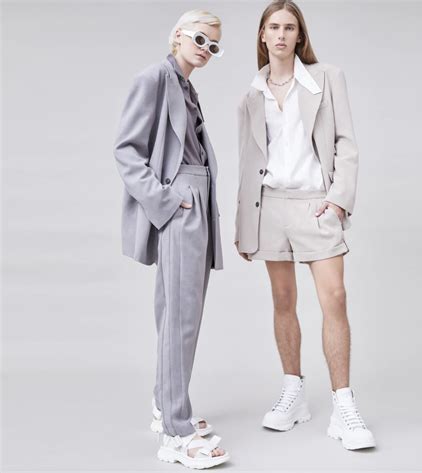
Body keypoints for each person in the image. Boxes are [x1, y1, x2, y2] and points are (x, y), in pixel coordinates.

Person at [234, 0, 376, 450]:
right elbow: (247, 163)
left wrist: (337, 202)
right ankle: (293, 393)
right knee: (282, 300)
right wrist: (244, 224)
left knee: (335, 298)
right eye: (273, 27)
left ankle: (343, 406)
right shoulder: (251, 95)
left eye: (289, 27)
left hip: (316, 204)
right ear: (262, 35)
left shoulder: (327, 78)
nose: (281, 35)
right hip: (270, 206)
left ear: (300, 35)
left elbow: (346, 143)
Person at [113, 9, 230, 469]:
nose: (205, 50)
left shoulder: (185, 86)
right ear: (178, 34)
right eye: (200, 39)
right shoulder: (154, 78)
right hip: (180, 203)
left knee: (182, 313)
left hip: (197, 202)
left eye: (213, 46)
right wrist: (166, 200)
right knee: (180, 316)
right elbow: (127, 150)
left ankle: (167, 405)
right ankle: (176, 436)